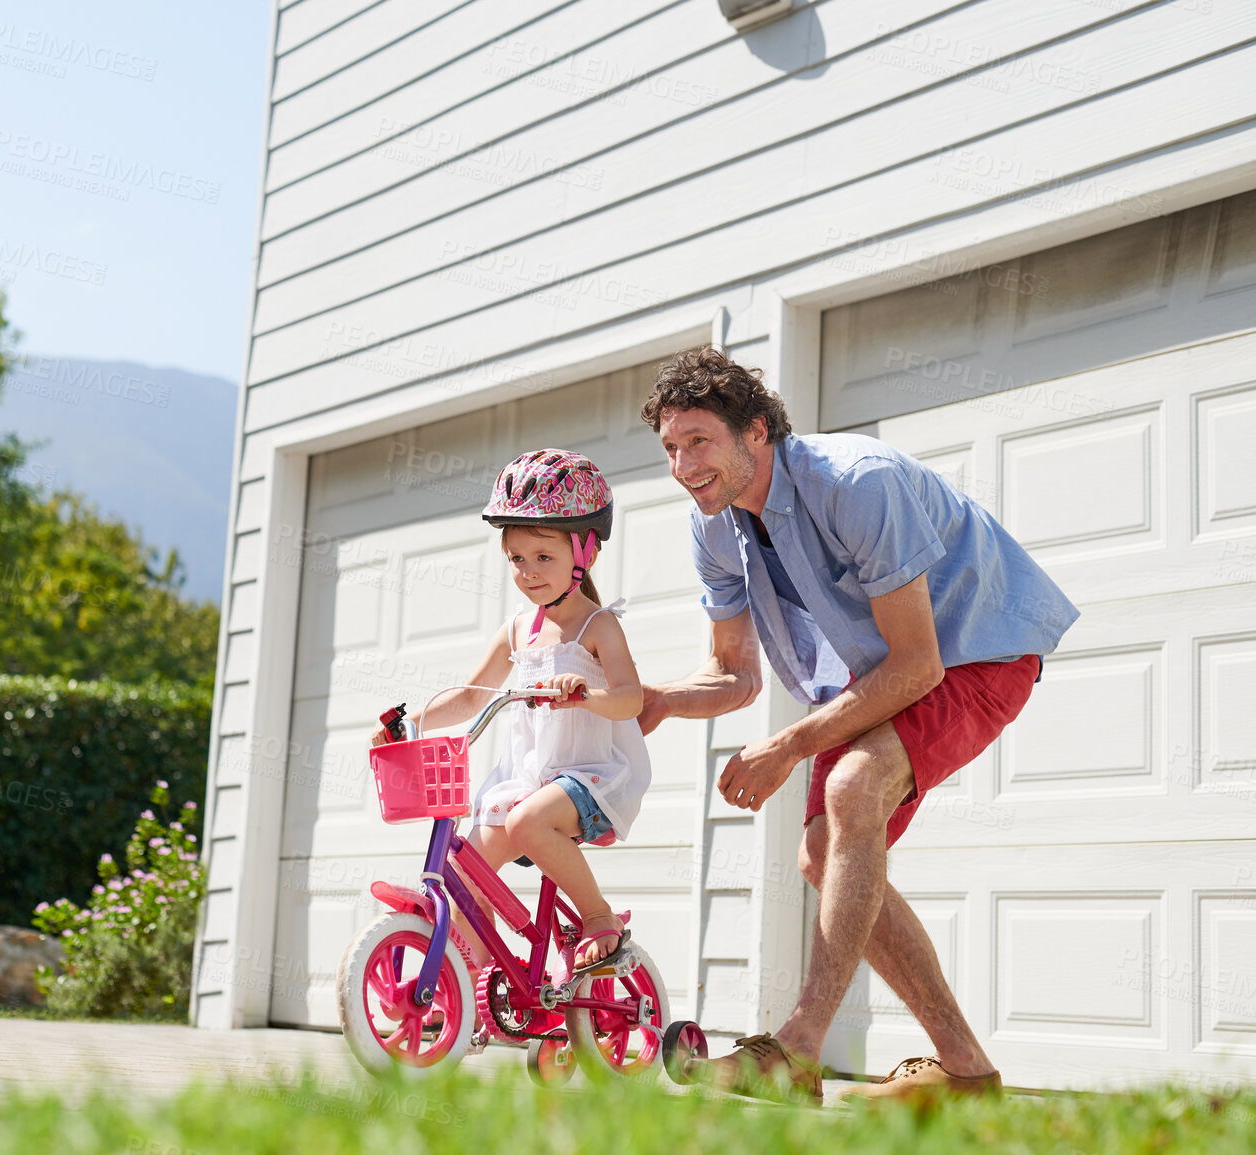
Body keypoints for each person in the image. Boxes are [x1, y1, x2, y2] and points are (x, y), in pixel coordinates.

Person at [635, 347, 1077, 1103]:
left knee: (854, 786)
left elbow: (916, 665)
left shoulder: (854, 483)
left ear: (755, 433)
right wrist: (655, 698)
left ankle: (796, 1048)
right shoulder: (712, 529)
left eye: (698, 441)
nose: (682, 464)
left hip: (977, 646)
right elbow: (734, 674)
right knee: (819, 853)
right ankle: (966, 1071)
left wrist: (785, 744)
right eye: (671, 448)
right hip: (880, 670)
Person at [380, 448, 652, 973]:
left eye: (543, 557)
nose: (528, 572)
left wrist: (584, 695)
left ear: (585, 552)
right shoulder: (516, 630)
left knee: (528, 821)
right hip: (528, 779)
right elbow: (470, 695)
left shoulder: (598, 627)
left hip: (591, 778)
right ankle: (468, 992)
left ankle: (598, 917)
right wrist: (410, 723)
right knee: (465, 877)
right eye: (516, 559)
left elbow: (630, 700)